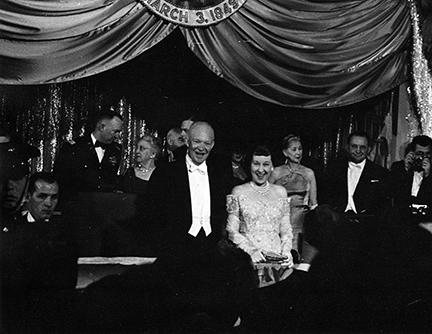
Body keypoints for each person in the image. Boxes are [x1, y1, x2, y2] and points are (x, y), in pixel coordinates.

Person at [1, 172, 78, 332]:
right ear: (28, 196)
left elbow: (68, 280)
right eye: (41, 196)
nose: (48, 203)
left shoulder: (66, 233)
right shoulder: (11, 229)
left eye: (53, 197)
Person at [150, 121, 232, 257]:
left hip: (211, 247)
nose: (201, 148)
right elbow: (154, 213)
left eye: (207, 143)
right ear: (187, 142)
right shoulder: (166, 172)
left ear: (212, 145)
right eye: (197, 141)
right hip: (175, 248)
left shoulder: (220, 174)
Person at [226, 145, 293, 267]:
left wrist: (287, 251)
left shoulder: (281, 192)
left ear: (272, 166)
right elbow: (231, 231)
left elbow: (286, 230)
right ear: (249, 165)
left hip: (278, 262)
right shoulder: (238, 192)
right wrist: (251, 251)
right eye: (256, 164)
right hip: (249, 262)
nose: (261, 170)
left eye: (266, 164)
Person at [54, 111, 123, 199]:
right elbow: (60, 180)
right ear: (101, 127)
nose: (118, 136)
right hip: (76, 205)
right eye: (115, 131)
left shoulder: (116, 150)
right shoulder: (74, 148)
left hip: (103, 205)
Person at [269, 135, 318, 255]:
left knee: (296, 256)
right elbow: (266, 198)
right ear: (285, 152)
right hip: (279, 220)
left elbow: (313, 203)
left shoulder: (309, 173)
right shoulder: (276, 172)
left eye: (300, 149)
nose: (298, 152)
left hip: (301, 221)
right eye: (294, 149)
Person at [323, 131, 389, 216]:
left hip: (366, 224)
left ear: (369, 149)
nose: (358, 151)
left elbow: (382, 205)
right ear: (347, 147)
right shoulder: (334, 169)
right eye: (354, 146)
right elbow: (326, 196)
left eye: (362, 147)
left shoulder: (380, 173)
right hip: (337, 221)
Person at [389, 135, 432, 215]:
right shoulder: (398, 168)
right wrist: (406, 170)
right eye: (420, 154)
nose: (424, 158)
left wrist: (427, 175)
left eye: (427, 154)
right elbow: (394, 194)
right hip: (402, 217)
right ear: (412, 153)